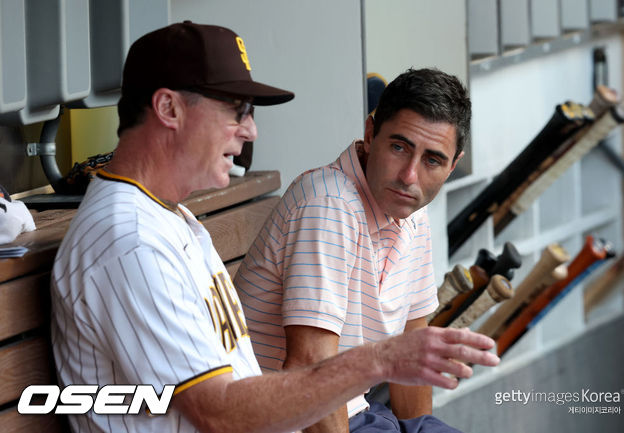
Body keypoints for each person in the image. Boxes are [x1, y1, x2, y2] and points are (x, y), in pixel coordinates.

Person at [51, 22, 498, 433]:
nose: (251, 131)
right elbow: (219, 413)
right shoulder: (131, 242)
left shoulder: (170, 220)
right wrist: (378, 360)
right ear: (169, 108)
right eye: (236, 110)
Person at [234, 67, 472, 432]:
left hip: (357, 414)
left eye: (432, 160)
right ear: (370, 133)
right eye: (399, 147)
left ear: (452, 166)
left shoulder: (410, 211)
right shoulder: (329, 205)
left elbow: (412, 347)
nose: (409, 175)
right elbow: (307, 370)